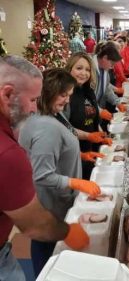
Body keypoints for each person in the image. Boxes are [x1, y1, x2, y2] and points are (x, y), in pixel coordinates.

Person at [0, 55, 89, 281]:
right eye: (32, 100)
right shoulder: (11, 150)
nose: (33, 109)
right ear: (8, 94)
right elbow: (34, 226)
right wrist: (68, 231)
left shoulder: (51, 117)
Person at [19, 68, 101, 276]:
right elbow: (43, 174)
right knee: (46, 254)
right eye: (63, 95)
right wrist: (76, 183)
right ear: (48, 92)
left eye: (69, 95)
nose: (66, 100)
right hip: (50, 205)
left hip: (55, 203)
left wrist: (81, 156)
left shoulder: (53, 115)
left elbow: (57, 148)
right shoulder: (46, 127)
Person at [65, 52, 112, 179]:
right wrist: (88, 136)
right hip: (74, 154)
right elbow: (64, 129)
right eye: (79, 68)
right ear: (69, 69)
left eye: (87, 70)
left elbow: (94, 118)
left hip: (90, 150)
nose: (84, 73)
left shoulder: (87, 91)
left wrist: (102, 136)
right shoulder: (65, 96)